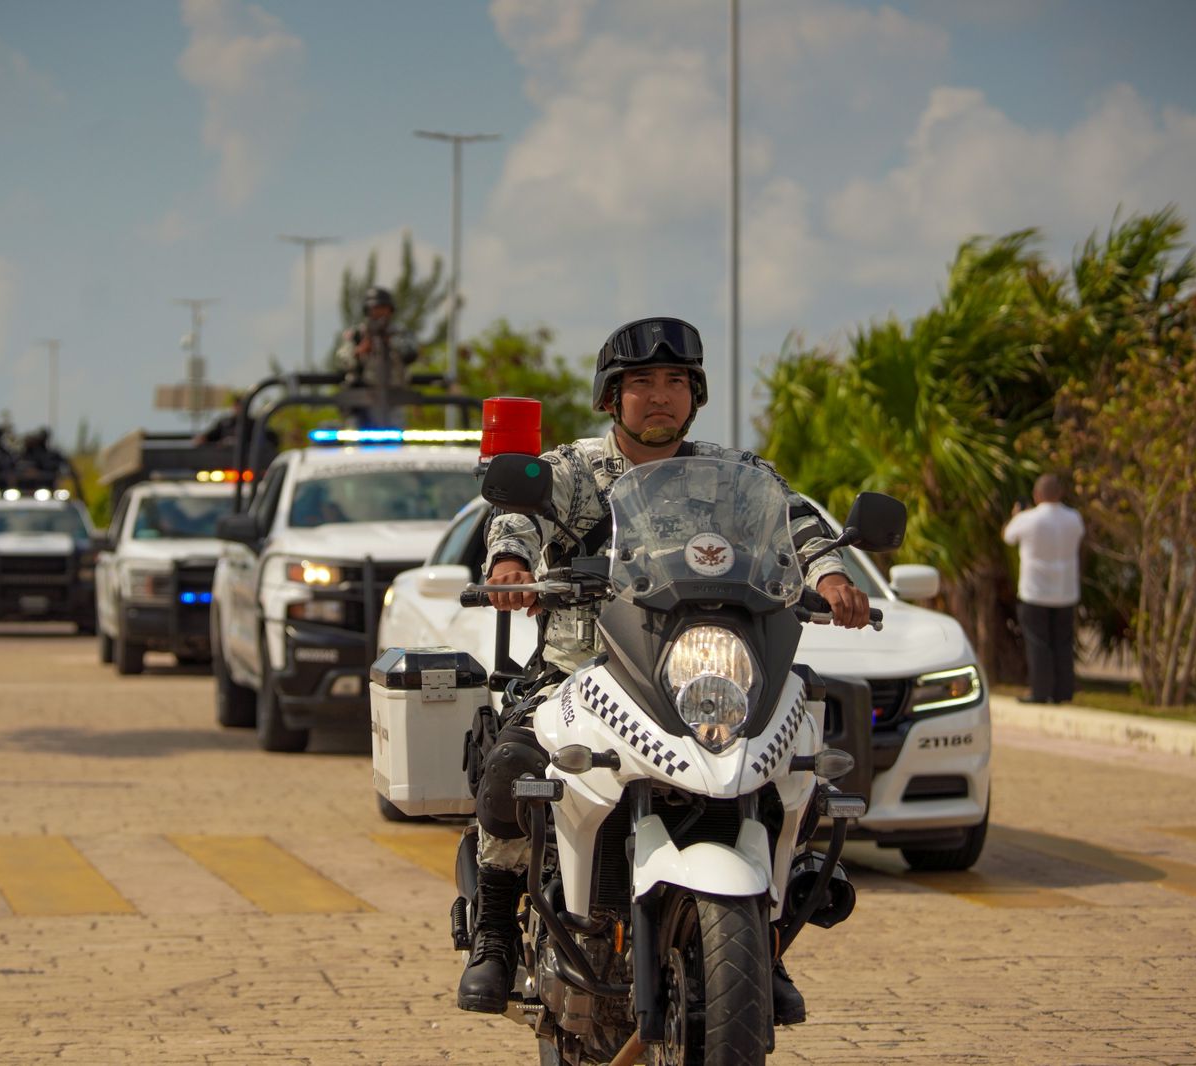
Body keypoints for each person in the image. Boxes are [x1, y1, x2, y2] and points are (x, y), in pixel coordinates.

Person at [457, 316, 873, 1025]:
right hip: (582, 669)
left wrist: (830, 575)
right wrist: (511, 562)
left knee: (799, 759)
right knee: (513, 763)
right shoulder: (575, 471)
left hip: (700, 674)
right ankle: (494, 933)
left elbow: (797, 522)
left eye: (676, 381)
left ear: (695, 395)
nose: (659, 396)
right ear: (610, 397)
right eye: (641, 383)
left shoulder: (735, 476)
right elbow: (517, 516)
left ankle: (764, 941)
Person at [1003, 473, 1084, 704]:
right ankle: (1063, 692)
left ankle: (1040, 692)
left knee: (1038, 643)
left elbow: (1008, 536)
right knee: (1063, 643)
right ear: (1060, 493)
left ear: (1037, 495)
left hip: (1035, 591)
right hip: (1065, 591)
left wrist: (1015, 516)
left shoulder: (1027, 519)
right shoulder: (1074, 518)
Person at [336, 286, 419, 402]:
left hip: (395, 396)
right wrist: (359, 352)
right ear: (367, 310)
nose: (380, 312)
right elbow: (341, 361)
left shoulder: (400, 333)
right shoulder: (357, 334)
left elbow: (411, 354)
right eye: (375, 308)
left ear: (390, 310)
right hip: (363, 397)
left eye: (383, 308)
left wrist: (391, 342)